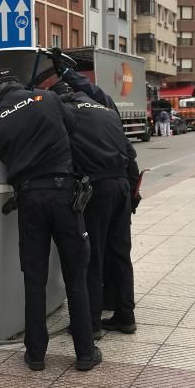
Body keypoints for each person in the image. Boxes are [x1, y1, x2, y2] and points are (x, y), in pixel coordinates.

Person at [0, 69, 102, 373]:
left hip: (29, 200)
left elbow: (5, 157)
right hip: (64, 195)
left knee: (34, 278)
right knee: (75, 274)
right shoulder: (46, 98)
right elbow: (74, 125)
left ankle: (36, 355)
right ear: (17, 85)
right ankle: (85, 353)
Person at [50, 80, 139, 336]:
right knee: (120, 254)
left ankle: (91, 323)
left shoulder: (67, 114)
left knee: (93, 256)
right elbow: (130, 152)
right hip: (121, 186)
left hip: (96, 190)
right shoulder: (106, 111)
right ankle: (126, 316)